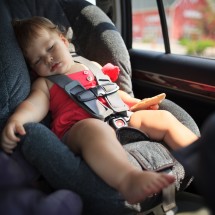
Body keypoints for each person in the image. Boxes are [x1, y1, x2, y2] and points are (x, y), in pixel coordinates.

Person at [0, 16, 198, 204]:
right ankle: (128, 179)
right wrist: (17, 119)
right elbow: (33, 105)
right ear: (33, 69)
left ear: (63, 40)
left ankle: (202, 157)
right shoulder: (45, 84)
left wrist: (136, 103)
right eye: (38, 60)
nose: (48, 59)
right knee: (94, 128)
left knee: (163, 117)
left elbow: (113, 92)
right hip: (79, 130)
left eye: (51, 47)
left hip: (120, 119)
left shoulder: (91, 66)